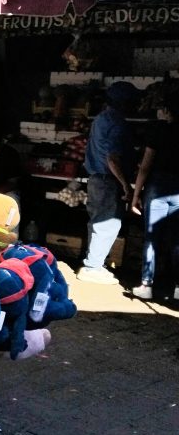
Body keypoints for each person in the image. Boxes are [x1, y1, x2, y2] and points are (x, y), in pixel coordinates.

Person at [78, 81, 138, 284]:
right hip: (107, 180)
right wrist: (125, 184)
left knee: (97, 222)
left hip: (96, 179)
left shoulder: (101, 119)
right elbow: (112, 159)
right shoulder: (117, 123)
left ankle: (93, 263)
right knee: (107, 223)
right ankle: (92, 267)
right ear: (125, 102)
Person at [130, 93, 179, 299]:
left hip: (157, 187)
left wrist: (135, 195)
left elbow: (145, 166)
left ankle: (146, 285)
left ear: (167, 111)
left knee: (152, 237)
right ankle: (178, 288)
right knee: (177, 240)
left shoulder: (158, 131)